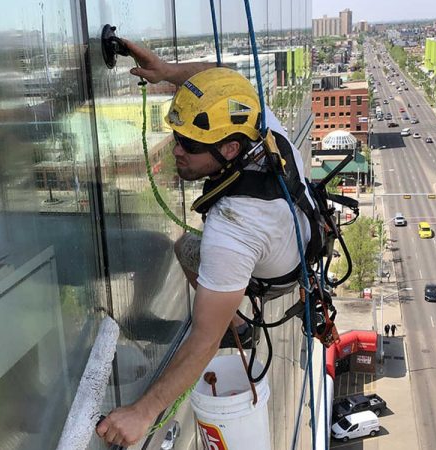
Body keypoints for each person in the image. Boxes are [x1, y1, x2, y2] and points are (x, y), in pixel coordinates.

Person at [96, 40, 313, 447]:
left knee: (185, 249)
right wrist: (166, 70)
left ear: (230, 148)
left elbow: (203, 339)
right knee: (190, 250)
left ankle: (239, 325)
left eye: (190, 145)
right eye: (178, 136)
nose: (177, 150)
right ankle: (239, 322)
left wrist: (143, 412)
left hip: (276, 272)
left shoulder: (233, 229)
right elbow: (217, 79)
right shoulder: (252, 119)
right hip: (300, 234)